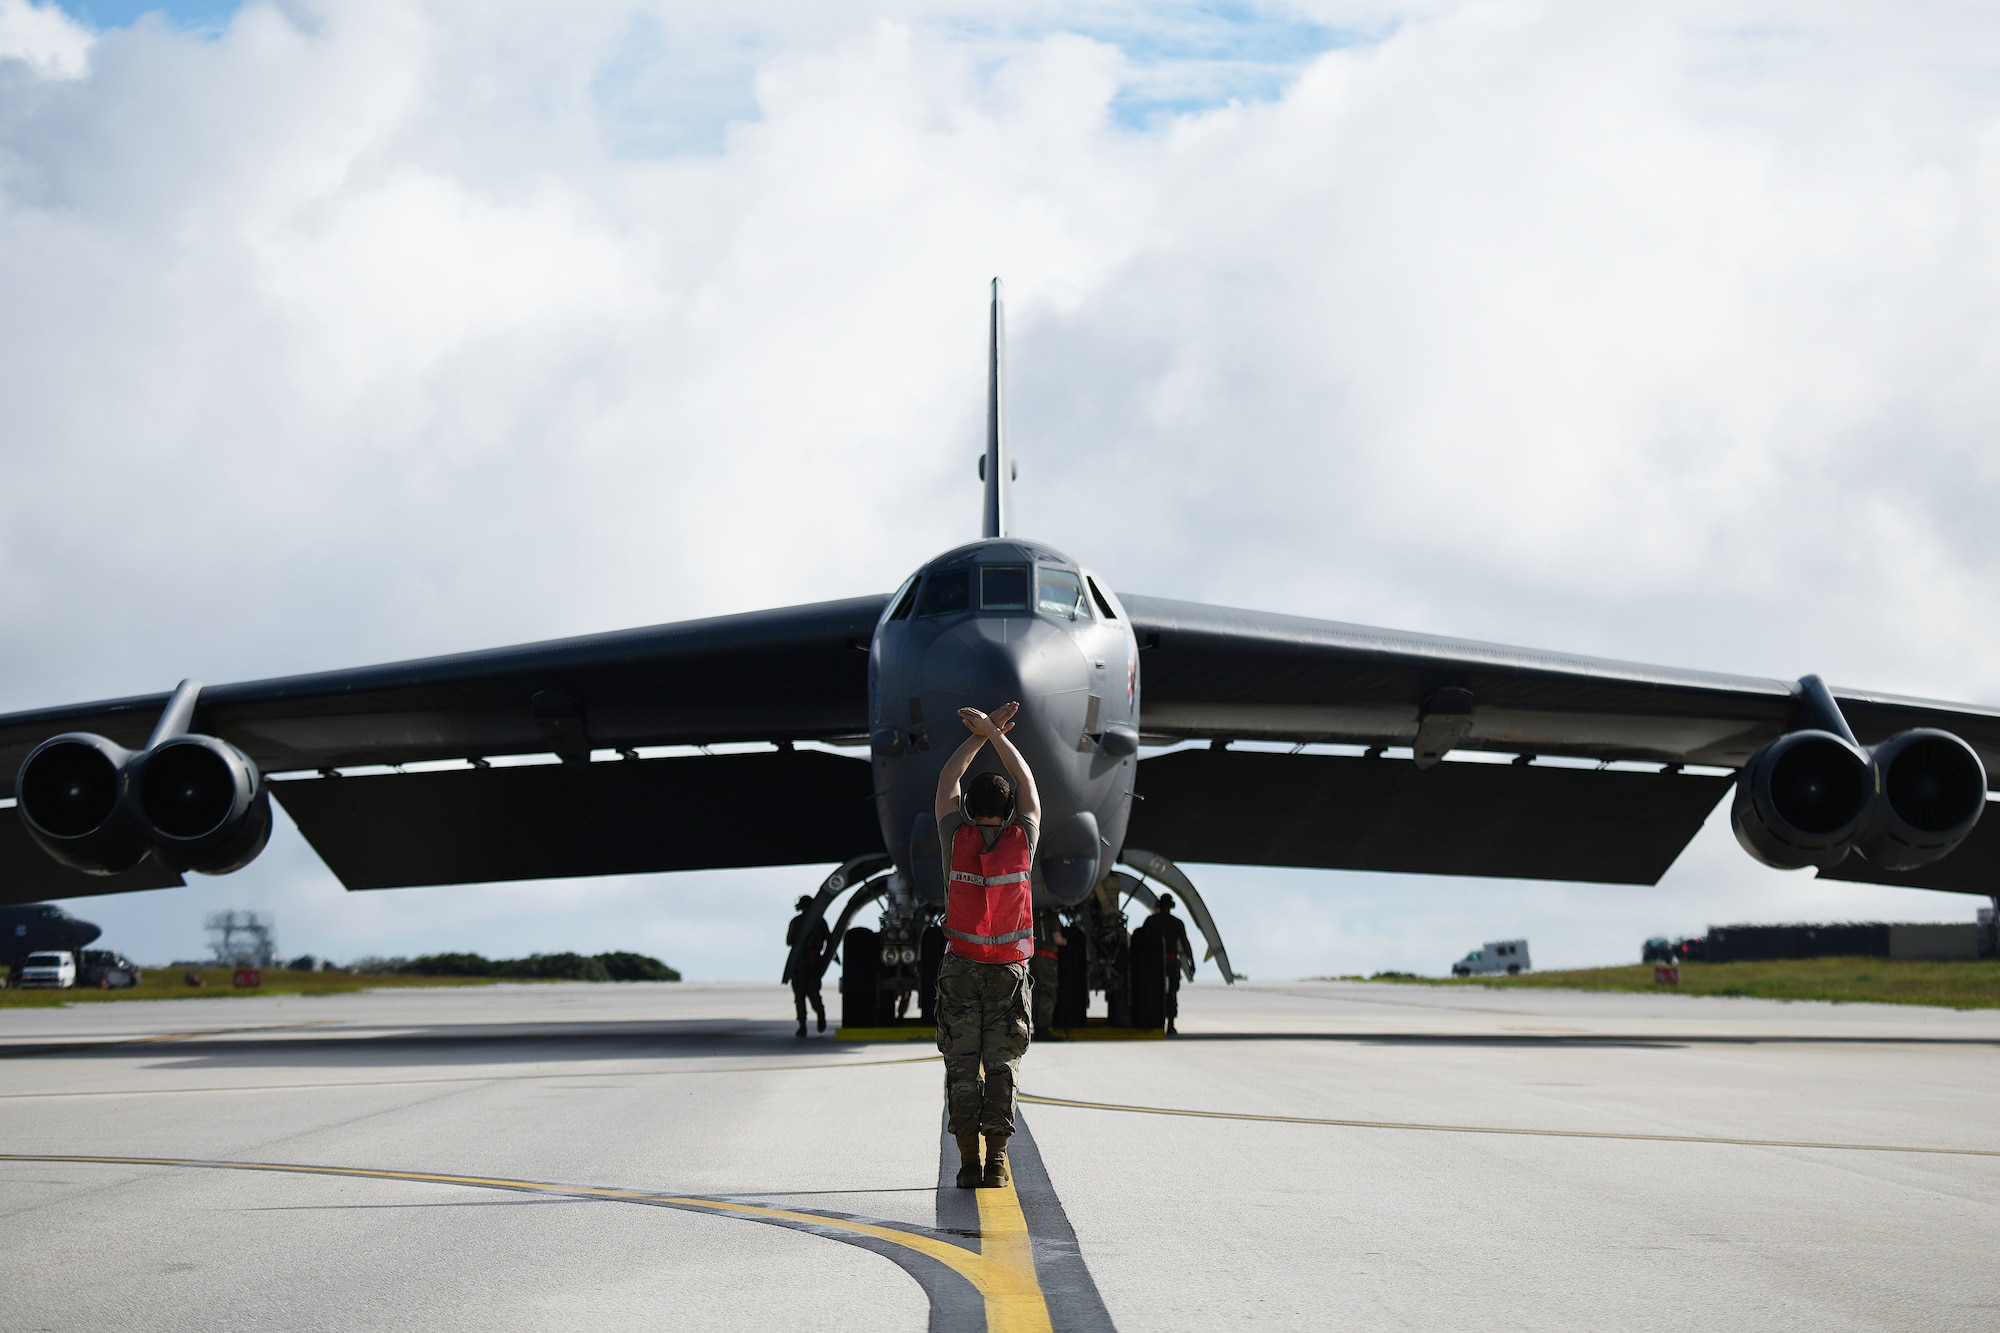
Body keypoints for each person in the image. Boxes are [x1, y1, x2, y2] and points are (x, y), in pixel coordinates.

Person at [933, 699, 1040, 1189]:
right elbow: (1028, 785)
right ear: (1010, 809)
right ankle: (997, 1163)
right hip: (1008, 973)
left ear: (970, 809)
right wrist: (998, 735)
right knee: (1001, 1066)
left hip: (961, 969)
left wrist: (979, 734)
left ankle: (966, 1163)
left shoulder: (955, 837)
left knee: (961, 1067)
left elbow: (946, 781)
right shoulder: (1024, 837)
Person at [786, 895, 829, 1038]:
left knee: (799, 995)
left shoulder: (796, 921)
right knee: (813, 991)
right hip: (814, 960)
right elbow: (828, 940)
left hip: (799, 962)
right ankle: (820, 1014)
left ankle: (802, 1026)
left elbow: (789, 941)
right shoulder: (820, 922)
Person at [1152, 892, 1194, 1036]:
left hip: (1157, 963)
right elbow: (1185, 943)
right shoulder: (1177, 923)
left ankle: (1161, 1024)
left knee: (1158, 994)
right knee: (1171, 994)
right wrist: (1191, 962)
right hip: (1171, 962)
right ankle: (1170, 1025)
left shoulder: (1152, 921)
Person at [1031, 908, 1065, 1039]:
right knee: (1048, 993)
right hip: (1048, 958)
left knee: (1037, 993)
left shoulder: (1033, 915)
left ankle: (1037, 1028)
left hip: (1035, 958)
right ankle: (1044, 1028)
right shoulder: (1052, 916)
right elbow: (1057, 939)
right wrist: (1066, 942)